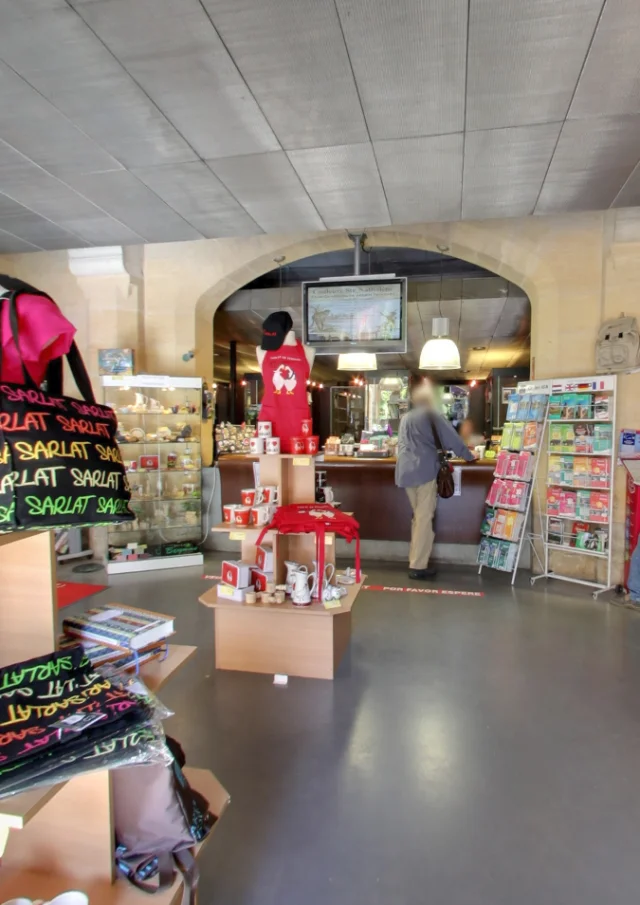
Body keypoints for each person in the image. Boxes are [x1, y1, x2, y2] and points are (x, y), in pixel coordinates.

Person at [395, 381, 476, 580]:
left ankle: (416, 559)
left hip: (405, 471)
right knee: (423, 518)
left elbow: (402, 444)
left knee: (418, 517)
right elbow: (453, 439)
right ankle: (417, 566)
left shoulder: (406, 418)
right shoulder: (433, 416)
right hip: (425, 471)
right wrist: (468, 456)